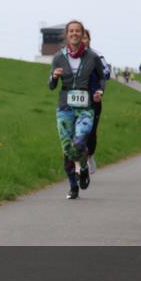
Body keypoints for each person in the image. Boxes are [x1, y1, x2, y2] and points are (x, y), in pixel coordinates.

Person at [48, 20, 106, 199]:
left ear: (82, 34)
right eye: (71, 31)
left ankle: (84, 167)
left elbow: (102, 77)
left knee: (79, 142)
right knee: (67, 149)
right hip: (64, 107)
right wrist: (54, 76)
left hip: (85, 107)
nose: (74, 34)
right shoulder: (58, 57)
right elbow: (51, 85)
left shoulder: (92, 57)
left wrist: (99, 91)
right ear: (67, 35)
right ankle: (73, 186)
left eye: (77, 31)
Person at [82, 29, 110, 174]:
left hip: (93, 97)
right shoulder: (69, 56)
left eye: (85, 38)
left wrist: (100, 91)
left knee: (91, 131)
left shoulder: (97, 55)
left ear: (89, 40)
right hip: (76, 98)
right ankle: (77, 162)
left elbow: (106, 73)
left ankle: (90, 155)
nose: (82, 40)